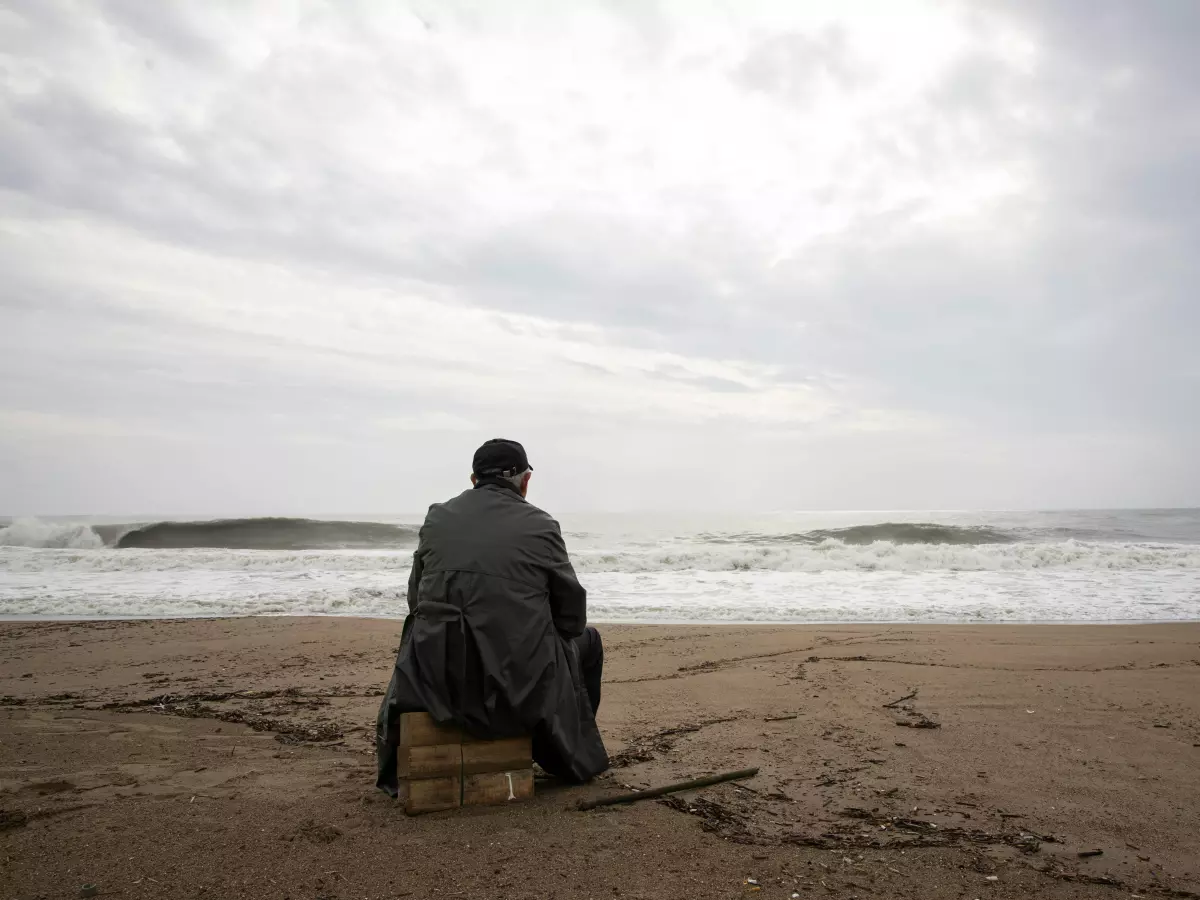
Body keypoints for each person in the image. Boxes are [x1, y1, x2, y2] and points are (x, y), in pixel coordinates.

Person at [375, 439, 609, 795]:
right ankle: (566, 753)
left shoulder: (437, 517)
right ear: (525, 481)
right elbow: (572, 617)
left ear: (473, 479)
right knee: (588, 642)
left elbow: (416, 599)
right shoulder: (541, 525)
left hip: (436, 680)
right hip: (516, 686)